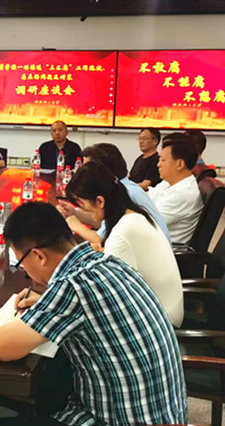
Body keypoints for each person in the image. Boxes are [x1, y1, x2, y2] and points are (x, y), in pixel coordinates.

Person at [0, 202, 186, 426]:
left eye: (21, 263)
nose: (24, 270)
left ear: (39, 256)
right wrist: (46, 303)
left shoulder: (73, 286)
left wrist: (40, 309)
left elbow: (0, 348)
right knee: (52, 376)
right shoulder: (108, 262)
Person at [66, 162, 183, 326]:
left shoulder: (123, 231)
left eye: (82, 204)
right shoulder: (133, 215)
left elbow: (106, 294)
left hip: (160, 322)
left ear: (100, 201)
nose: (82, 210)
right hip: (160, 308)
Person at [57, 143, 171, 244]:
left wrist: (75, 225)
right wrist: (75, 213)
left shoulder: (126, 194)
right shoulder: (125, 187)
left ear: (103, 172)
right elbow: (105, 225)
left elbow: (101, 239)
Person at [148, 135, 203, 244]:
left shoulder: (182, 193)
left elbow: (147, 222)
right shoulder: (170, 182)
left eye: (163, 160)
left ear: (179, 164)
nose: (158, 165)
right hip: (152, 240)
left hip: (162, 248)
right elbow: (148, 196)